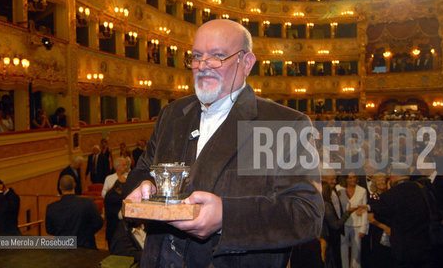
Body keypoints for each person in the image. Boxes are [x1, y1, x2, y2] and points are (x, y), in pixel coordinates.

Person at [124, 19, 323, 267]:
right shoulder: (172, 114)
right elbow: (142, 170)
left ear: (246, 63)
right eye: (197, 56)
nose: (203, 66)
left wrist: (225, 217)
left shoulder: (286, 124)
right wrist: (143, 185)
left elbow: (306, 216)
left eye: (217, 56)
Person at [365, 163, 431, 268]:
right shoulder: (422, 189)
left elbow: (380, 215)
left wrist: (368, 208)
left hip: (401, 248)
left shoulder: (389, 195)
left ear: (393, 175)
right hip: (424, 244)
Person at [46, 175, 103, 249]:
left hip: (62, 249)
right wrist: (87, 234)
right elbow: (99, 222)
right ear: (74, 185)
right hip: (85, 247)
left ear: (60, 187)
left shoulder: (51, 208)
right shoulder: (88, 203)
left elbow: (49, 230)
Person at [337, 171, 368, 268]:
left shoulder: (362, 190)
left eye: (354, 177)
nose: (352, 180)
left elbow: (364, 210)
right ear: (345, 179)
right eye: (349, 178)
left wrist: (364, 228)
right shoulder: (338, 189)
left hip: (357, 224)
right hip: (343, 223)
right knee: (343, 249)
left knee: (357, 252)